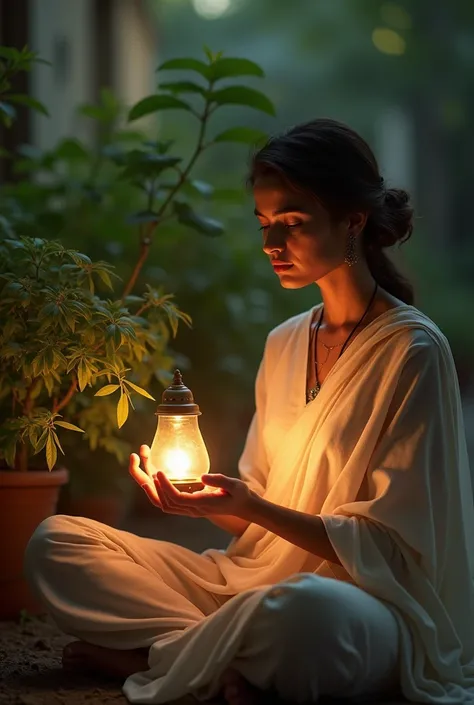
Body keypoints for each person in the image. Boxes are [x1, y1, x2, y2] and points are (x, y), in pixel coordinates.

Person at [24, 118, 474, 705]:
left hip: (363, 604)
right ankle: (215, 662)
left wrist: (254, 505)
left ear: (354, 221)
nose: (271, 245)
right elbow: (254, 521)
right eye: (264, 224)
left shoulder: (413, 352)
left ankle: (159, 657)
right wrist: (201, 502)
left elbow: (395, 551)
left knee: (305, 616)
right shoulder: (285, 342)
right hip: (247, 586)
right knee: (55, 543)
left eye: (291, 223)